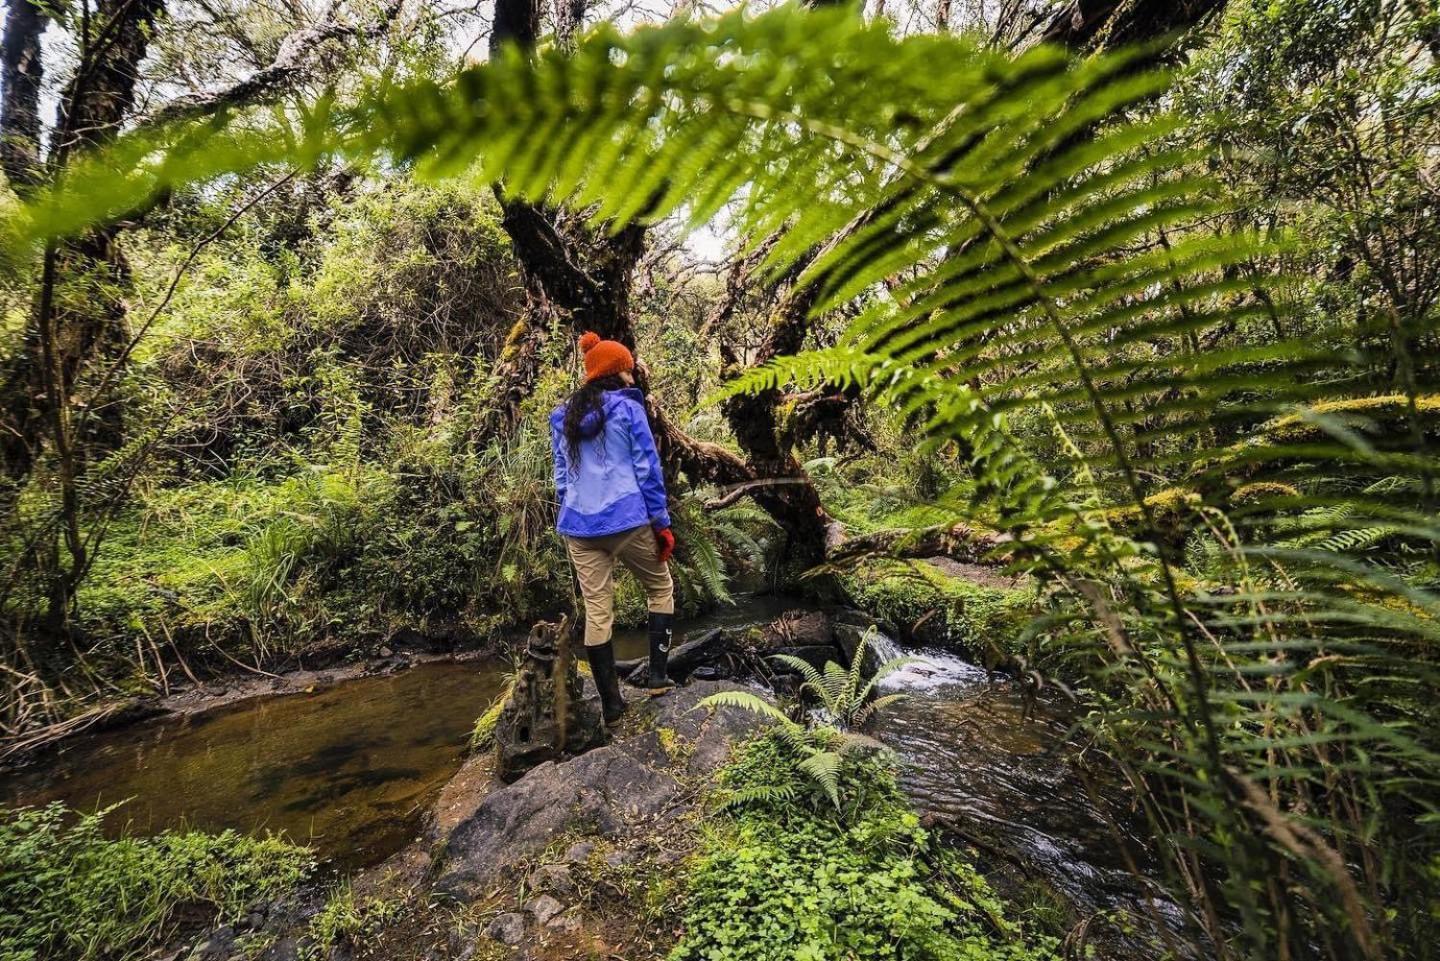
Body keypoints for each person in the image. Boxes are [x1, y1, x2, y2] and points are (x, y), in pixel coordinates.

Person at [550, 331, 677, 725]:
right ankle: (658, 676)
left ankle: (613, 706)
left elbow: (560, 476)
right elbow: (647, 469)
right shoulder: (628, 410)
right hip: (628, 521)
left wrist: (575, 508)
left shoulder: (562, 415)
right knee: (660, 588)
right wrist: (662, 523)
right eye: (628, 368)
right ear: (617, 371)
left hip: (579, 527)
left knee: (597, 611)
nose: (632, 375)